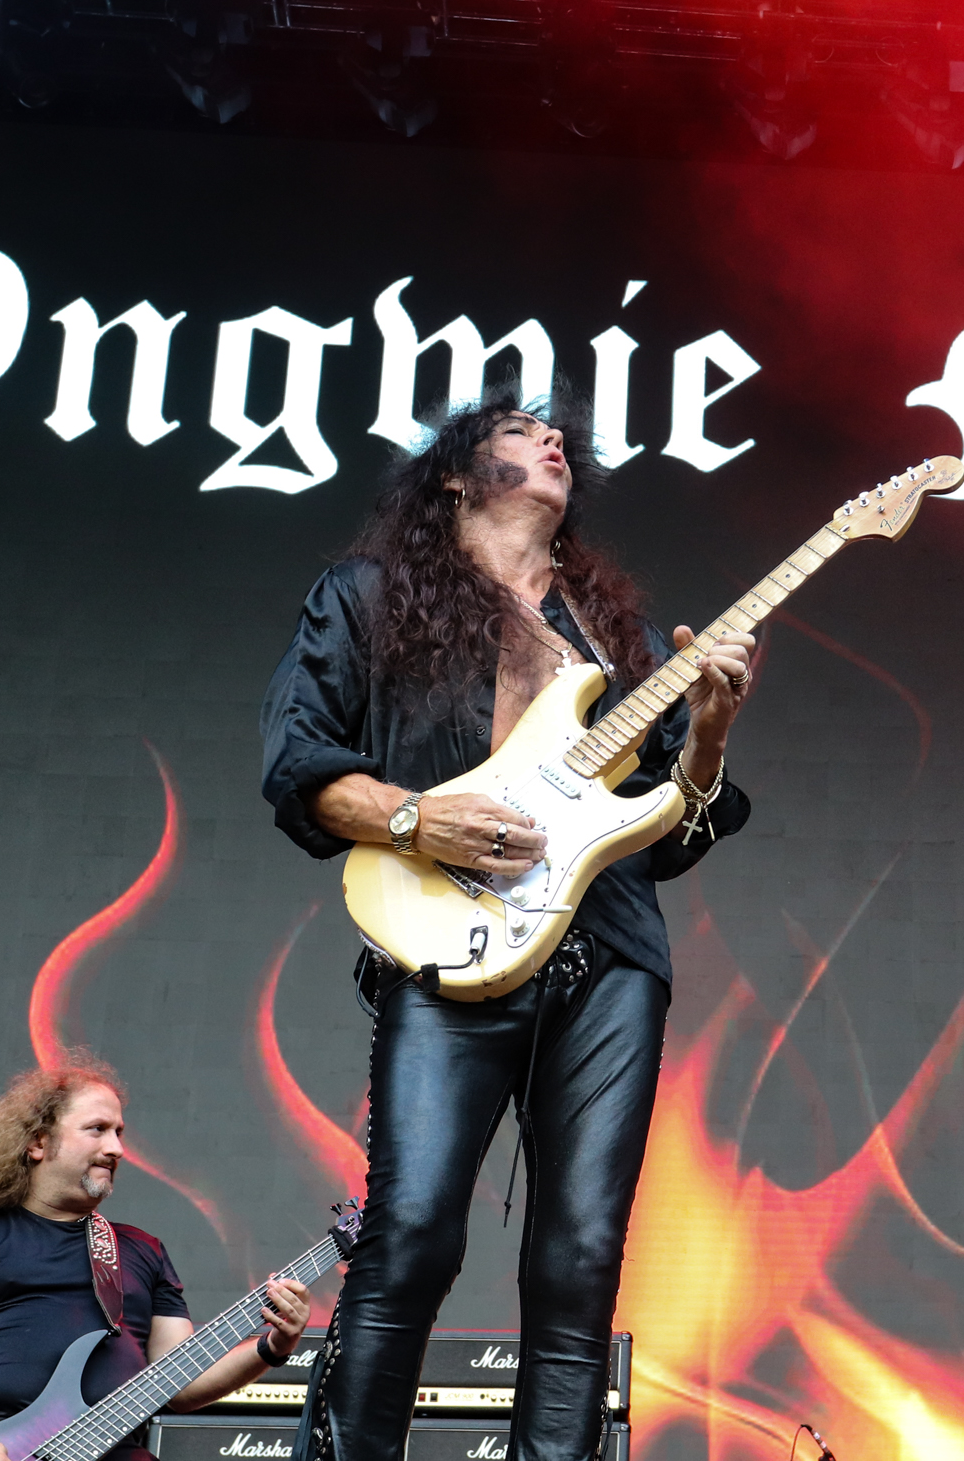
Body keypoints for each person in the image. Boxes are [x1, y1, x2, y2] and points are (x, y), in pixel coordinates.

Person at [258, 397, 753, 1461]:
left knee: (580, 1259)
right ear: (453, 474)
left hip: (609, 958)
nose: (552, 439)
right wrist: (414, 816)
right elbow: (296, 760)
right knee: (411, 1232)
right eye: (522, 429)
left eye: (556, 432)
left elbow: (674, 833)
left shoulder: (618, 638)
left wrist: (708, 738)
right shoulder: (369, 596)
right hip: (450, 943)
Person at [0, 1053, 311, 1461]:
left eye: (119, 1132)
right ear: (38, 1142)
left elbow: (180, 1382)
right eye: (98, 1129)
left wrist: (272, 1346)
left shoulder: (142, 1249)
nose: (117, 1148)